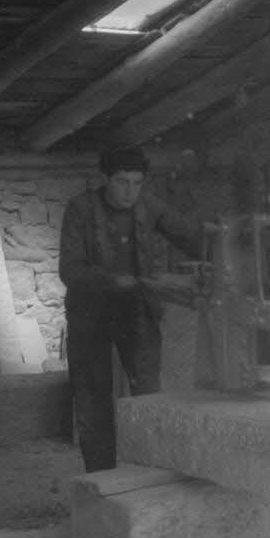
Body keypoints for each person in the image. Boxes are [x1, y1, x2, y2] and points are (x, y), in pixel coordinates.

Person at [58, 146, 201, 472]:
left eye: (137, 183)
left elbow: (191, 237)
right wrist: (119, 281)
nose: (130, 192)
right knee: (93, 400)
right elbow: (70, 270)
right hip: (89, 315)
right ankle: (102, 480)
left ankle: (150, 474)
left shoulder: (148, 204)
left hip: (137, 311)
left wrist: (226, 245)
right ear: (104, 178)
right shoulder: (80, 210)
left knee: (148, 396)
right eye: (122, 182)